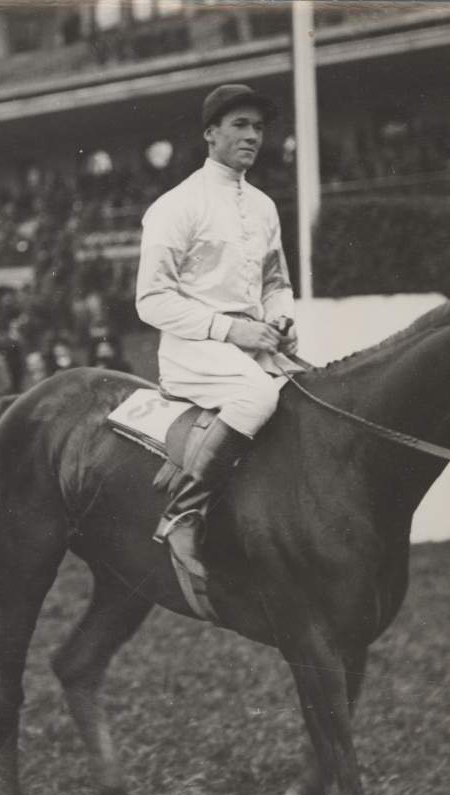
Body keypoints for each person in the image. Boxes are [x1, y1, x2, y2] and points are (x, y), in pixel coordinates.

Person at [135, 83, 300, 573]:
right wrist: (231, 332)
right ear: (210, 133)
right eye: (240, 126)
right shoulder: (177, 205)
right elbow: (151, 300)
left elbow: (276, 283)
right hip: (194, 350)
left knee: (311, 398)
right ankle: (182, 514)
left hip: (254, 347)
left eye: (259, 128)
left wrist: (281, 320)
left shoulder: (265, 207)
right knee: (259, 398)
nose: (253, 136)